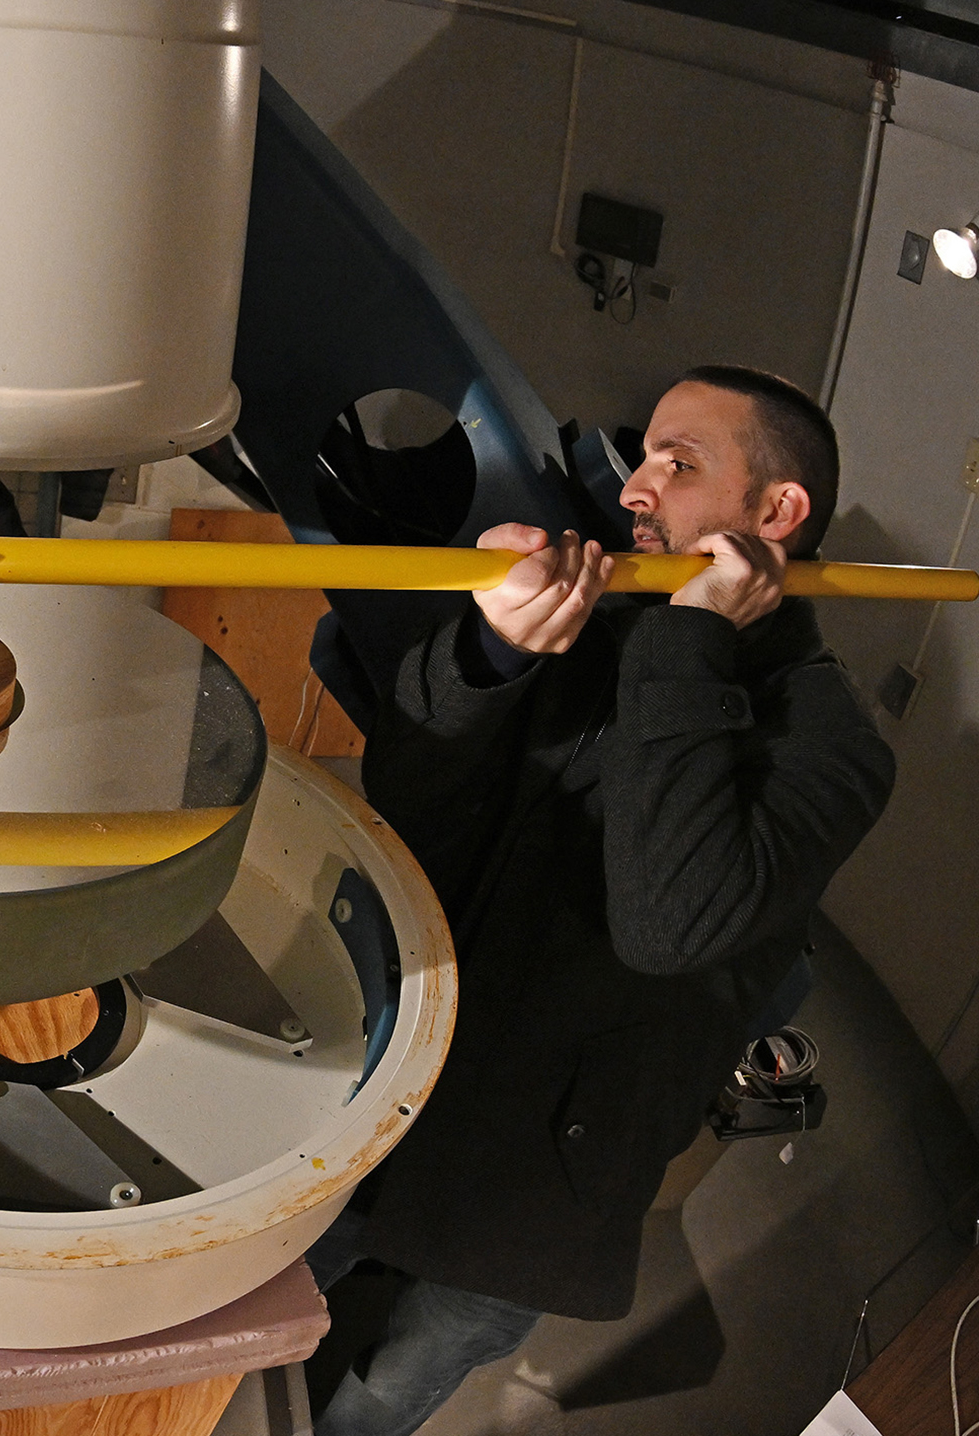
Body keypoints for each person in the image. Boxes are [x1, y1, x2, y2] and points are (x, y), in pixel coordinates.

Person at [306, 366, 895, 1435]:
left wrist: (692, 641)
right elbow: (415, 804)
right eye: (646, 456)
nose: (637, 487)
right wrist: (489, 653)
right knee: (247, 1329)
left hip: (553, 1164)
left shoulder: (832, 744)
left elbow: (668, 922)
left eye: (682, 460)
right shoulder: (611, 623)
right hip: (403, 1075)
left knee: (371, 1400)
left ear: (777, 512)